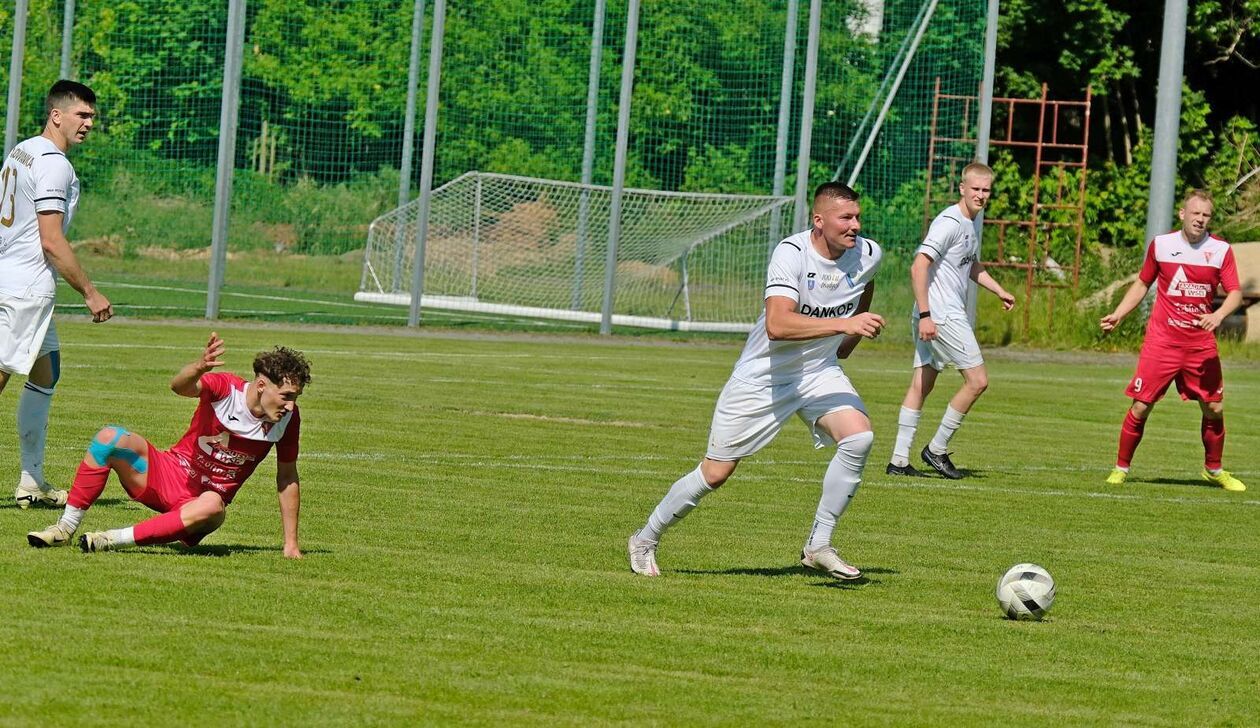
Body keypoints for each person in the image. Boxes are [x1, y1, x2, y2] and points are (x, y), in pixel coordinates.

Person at [627, 182, 885, 580]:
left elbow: (865, 284)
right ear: (819, 221)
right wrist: (845, 323)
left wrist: (848, 341)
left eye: (858, 217)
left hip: (818, 373)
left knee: (859, 437)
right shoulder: (792, 253)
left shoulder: (867, 253)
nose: (856, 225)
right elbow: (778, 324)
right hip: (764, 378)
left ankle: (819, 544)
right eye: (846, 218)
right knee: (715, 473)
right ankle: (645, 537)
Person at [27, 333, 311, 557]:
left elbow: (287, 477)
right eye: (285, 396)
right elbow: (179, 387)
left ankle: (112, 540)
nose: (290, 405)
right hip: (170, 473)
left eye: (295, 398)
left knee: (213, 507)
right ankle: (64, 528)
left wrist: (291, 544)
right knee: (109, 437)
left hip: (203, 503)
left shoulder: (288, 420)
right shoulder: (226, 389)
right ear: (261, 385)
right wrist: (199, 368)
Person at [0, 80, 113, 510]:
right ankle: (31, 479)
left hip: (12, 276)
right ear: (57, 115)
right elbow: (52, 240)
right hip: (26, 286)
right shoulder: (53, 164)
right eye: (81, 115)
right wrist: (90, 291)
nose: (88, 124)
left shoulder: (22, 149)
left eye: (92, 117)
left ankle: (31, 479)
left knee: (47, 372)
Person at [1099, 189, 1245, 491]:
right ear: (1182, 214)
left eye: (1206, 215)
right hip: (1162, 342)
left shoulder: (1220, 250)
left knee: (1214, 408)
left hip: (1199, 346)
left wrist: (1217, 317)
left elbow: (1235, 294)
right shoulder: (1162, 245)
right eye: (1195, 213)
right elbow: (1142, 283)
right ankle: (1120, 468)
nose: (1200, 220)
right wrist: (1119, 314)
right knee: (1141, 406)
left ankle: (1213, 470)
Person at [885, 162, 1015, 479]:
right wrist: (927, 314)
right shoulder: (950, 222)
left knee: (922, 382)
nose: (981, 195)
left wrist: (1000, 291)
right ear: (962, 188)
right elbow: (918, 266)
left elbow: (971, 266)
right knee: (977, 381)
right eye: (976, 189)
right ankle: (937, 449)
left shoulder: (969, 226)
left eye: (986, 190)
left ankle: (898, 461)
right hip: (941, 313)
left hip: (936, 312)